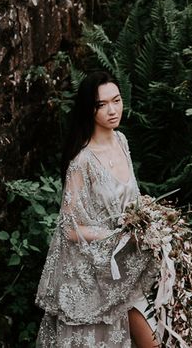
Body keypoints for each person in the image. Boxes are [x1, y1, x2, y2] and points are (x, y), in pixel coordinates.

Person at [35, 71, 159, 348]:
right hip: (96, 270)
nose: (112, 110)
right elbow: (70, 228)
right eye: (102, 104)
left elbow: (131, 199)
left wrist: (147, 220)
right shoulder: (82, 162)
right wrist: (117, 237)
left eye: (116, 100)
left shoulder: (121, 141)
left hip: (129, 262)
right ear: (89, 109)